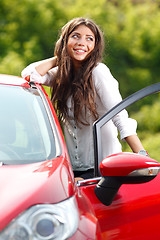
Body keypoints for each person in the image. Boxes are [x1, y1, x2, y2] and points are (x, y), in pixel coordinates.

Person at [21, 17, 147, 180]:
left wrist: (144, 158)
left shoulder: (98, 72)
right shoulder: (62, 75)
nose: (82, 42)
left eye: (89, 39)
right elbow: (30, 74)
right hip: (74, 168)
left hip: (104, 168)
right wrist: (61, 57)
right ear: (65, 41)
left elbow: (120, 117)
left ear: (94, 46)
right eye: (76, 36)